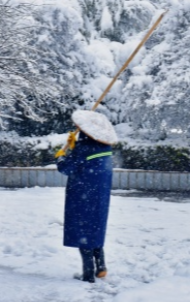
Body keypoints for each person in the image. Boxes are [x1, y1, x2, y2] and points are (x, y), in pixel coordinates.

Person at [56, 110, 118, 283]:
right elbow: (88, 161)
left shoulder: (83, 148)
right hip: (100, 195)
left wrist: (62, 156)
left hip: (82, 195)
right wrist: (74, 145)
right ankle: (101, 267)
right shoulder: (105, 147)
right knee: (96, 229)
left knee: (83, 231)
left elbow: (65, 168)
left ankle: (88, 274)